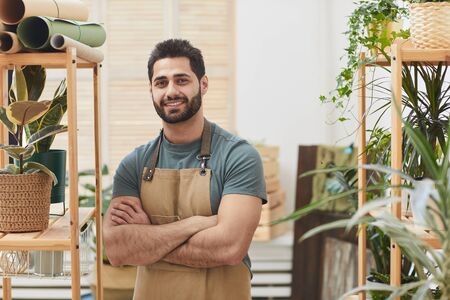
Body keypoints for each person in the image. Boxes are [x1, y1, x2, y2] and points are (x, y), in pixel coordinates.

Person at [103, 39, 267, 300]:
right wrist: (197, 224)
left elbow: (229, 248)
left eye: (181, 80)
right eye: (161, 82)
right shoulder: (133, 164)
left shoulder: (239, 156)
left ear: (203, 84)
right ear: (151, 90)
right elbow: (118, 249)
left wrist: (148, 240)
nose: (171, 91)